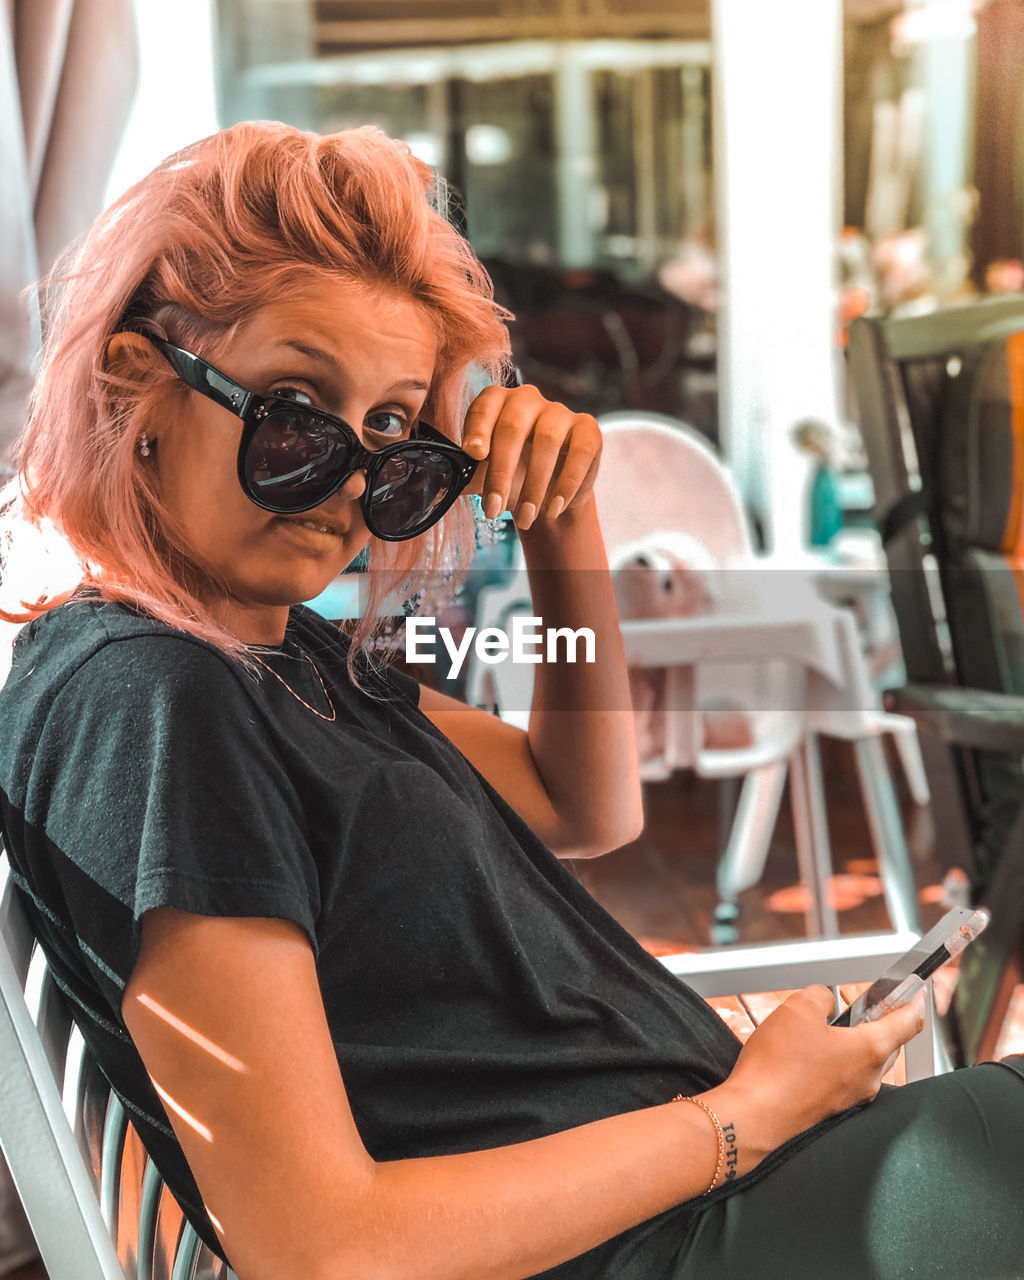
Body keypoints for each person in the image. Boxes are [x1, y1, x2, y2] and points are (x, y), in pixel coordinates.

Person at [0, 121, 1021, 1280]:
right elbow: (322, 1248)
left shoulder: (287, 658)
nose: (347, 479)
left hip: (712, 1194)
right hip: (672, 1236)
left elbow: (586, 806)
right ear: (140, 388)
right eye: (293, 411)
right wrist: (745, 1119)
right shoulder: (148, 697)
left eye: (391, 431)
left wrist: (562, 516)